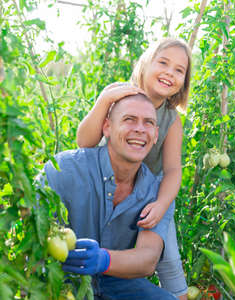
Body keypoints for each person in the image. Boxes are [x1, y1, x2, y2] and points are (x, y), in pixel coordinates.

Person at [76, 38, 191, 299]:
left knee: (169, 260)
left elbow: (173, 171)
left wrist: (162, 205)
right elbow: (84, 142)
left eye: (179, 70)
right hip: (111, 185)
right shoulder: (118, 96)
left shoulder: (171, 119)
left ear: (183, 81)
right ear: (145, 63)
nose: (169, 73)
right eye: (163, 63)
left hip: (152, 194)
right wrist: (104, 100)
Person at [42, 93, 177, 299]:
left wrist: (104, 259)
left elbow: (148, 258)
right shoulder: (63, 170)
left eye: (148, 123)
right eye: (129, 119)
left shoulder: (158, 194)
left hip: (112, 280)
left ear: (156, 134)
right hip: (59, 280)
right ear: (107, 127)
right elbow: (32, 235)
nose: (140, 129)